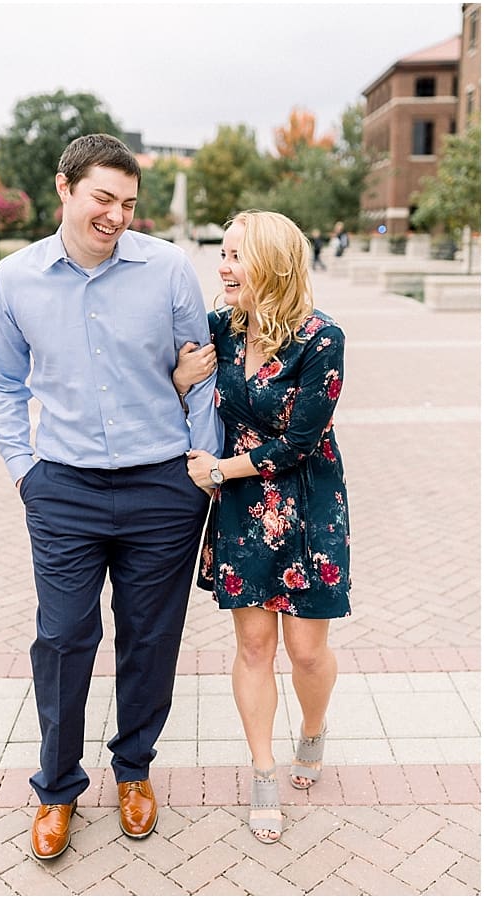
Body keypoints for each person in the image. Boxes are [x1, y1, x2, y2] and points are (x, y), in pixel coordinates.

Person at [0, 133, 221, 860]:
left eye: (127, 203)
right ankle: (57, 787)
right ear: (65, 188)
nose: (116, 215)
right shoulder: (15, 279)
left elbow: (201, 369)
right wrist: (26, 470)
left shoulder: (169, 268)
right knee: (62, 638)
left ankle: (134, 769)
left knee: (151, 638)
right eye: (102, 198)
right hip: (64, 489)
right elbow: (2, 384)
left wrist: (200, 468)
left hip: (162, 488)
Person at [174, 209, 350, 845]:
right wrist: (178, 378)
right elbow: (186, 389)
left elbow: (302, 441)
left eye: (235, 255)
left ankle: (314, 727)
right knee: (253, 648)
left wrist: (220, 470)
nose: (222, 266)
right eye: (221, 253)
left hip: (305, 506)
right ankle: (263, 770)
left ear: (273, 264)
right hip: (243, 514)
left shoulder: (322, 337)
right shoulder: (220, 326)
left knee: (306, 650)